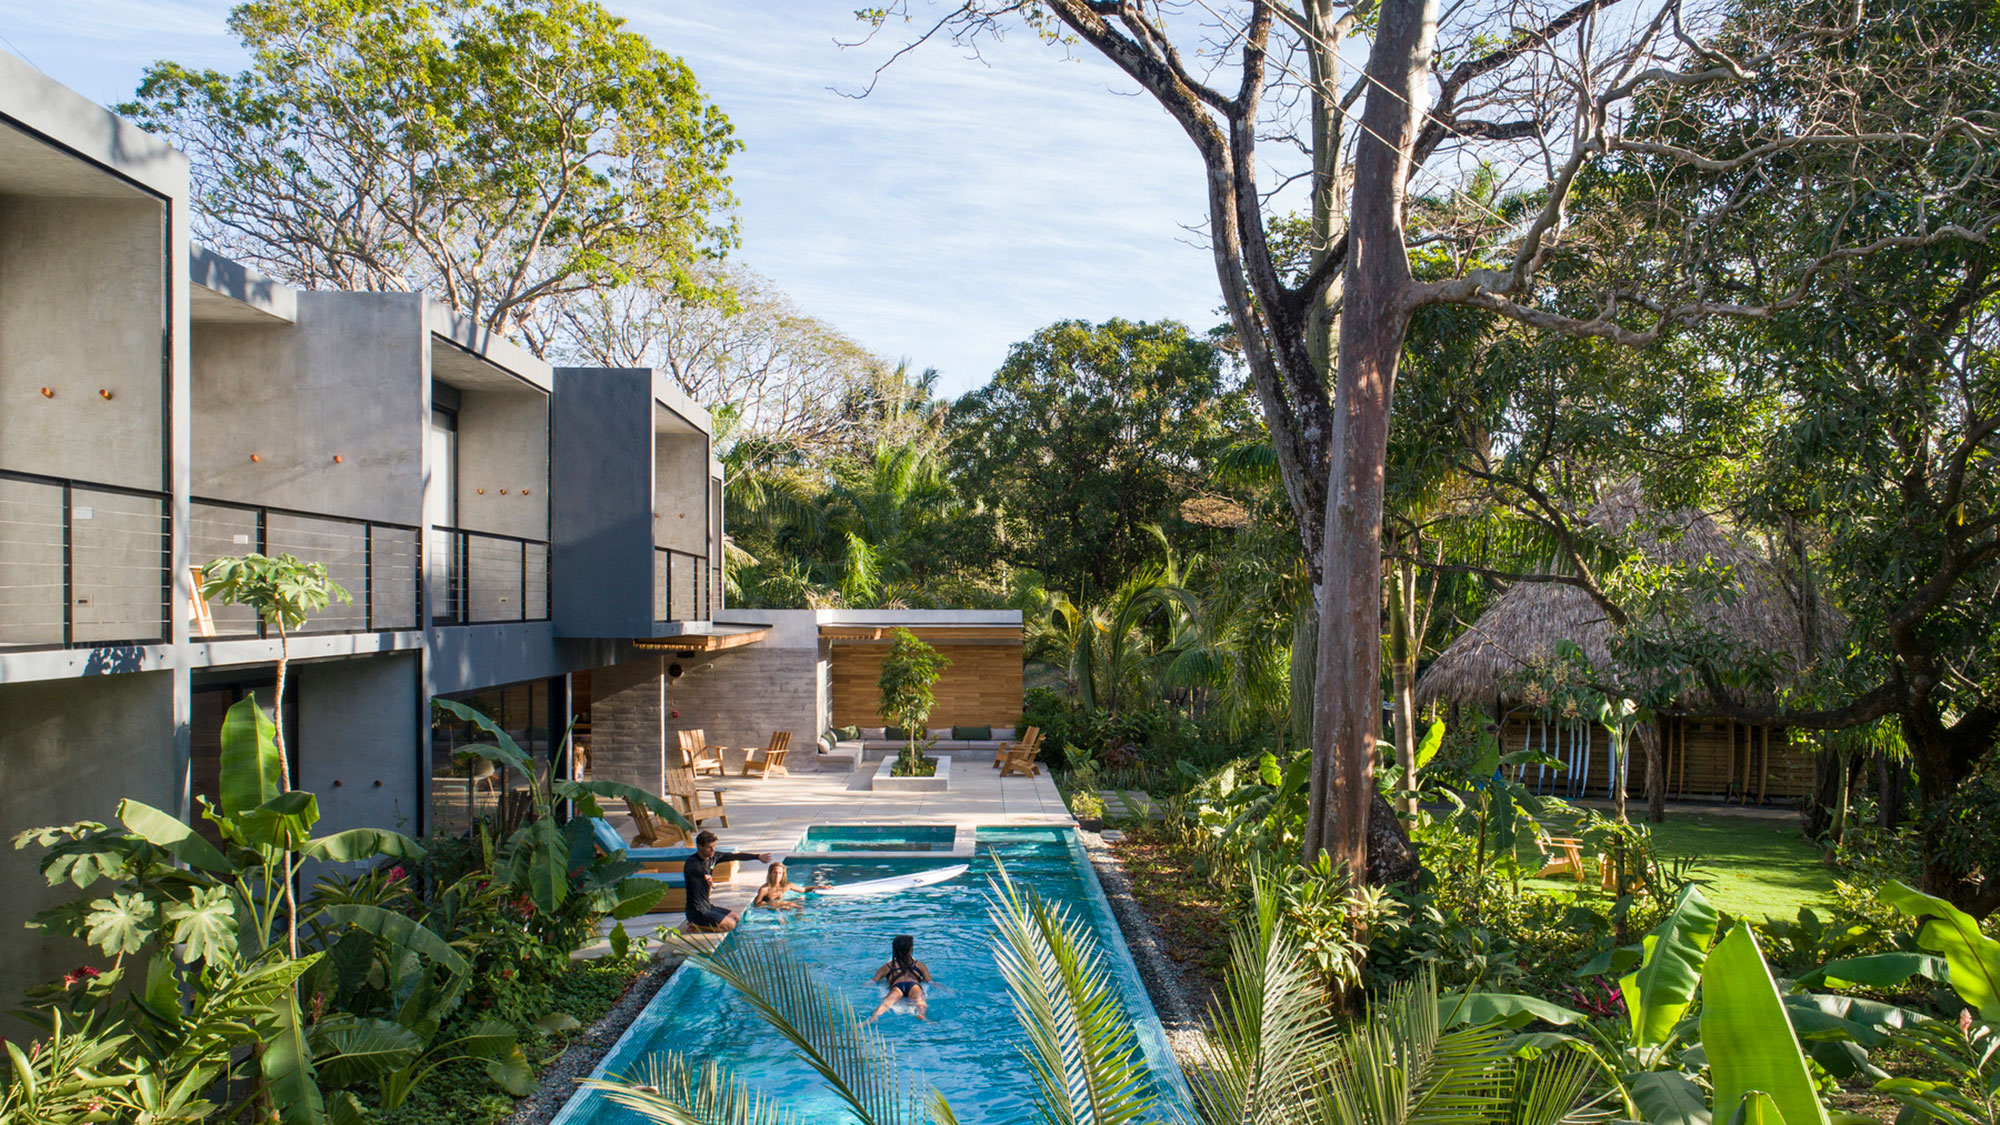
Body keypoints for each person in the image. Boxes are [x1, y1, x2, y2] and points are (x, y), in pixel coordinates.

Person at [682, 829, 772, 933]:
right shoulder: (692, 862)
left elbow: (734, 856)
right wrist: (705, 877)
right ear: (699, 846)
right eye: (708, 847)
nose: (712, 850)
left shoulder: (713, 857)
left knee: (736, 918)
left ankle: (698, 924)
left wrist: (757, 857)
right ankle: (696, 925)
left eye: (714, 846)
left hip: (707, 906)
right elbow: (695, 871)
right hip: (696, 911)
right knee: (730, 925)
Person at [865, 934, 932, 1022]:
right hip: (913, 985)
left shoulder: (888, 966)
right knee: (919, 1000)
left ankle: (875, 1016)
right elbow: (930, 981)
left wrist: (865, 985)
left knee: (887, 1002)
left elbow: (873, 981)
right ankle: (922, 1014)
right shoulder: (919, 965)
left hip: (898, 986)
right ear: (910, 950)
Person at [750, 862, 831, 910]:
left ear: (783, 875)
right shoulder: (764, 889)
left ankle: (798, 924)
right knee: (791, 907)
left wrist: (818, 887)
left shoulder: (786, 885)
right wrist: (771, 905)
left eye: (780, 873)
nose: (777, 876)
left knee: (800, 907)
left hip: (781, 905)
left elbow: (803, 889)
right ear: (770, 874)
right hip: (772, 908)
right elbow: (756, 904)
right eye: (775, 873)